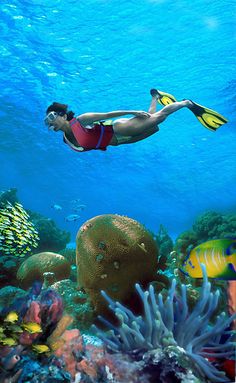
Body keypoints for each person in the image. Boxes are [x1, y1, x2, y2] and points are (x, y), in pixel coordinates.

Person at [44, 89, 228, 152]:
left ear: (62, 115)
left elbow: (108, 115)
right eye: (47, 121)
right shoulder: (65, 140)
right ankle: (155, 96)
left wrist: (134, 111)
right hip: (122, 141)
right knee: (155, 123)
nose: (50, 122)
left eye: (52, 117)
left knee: (160, 117)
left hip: (119, 129)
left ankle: (187, 103)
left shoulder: (81, 120)